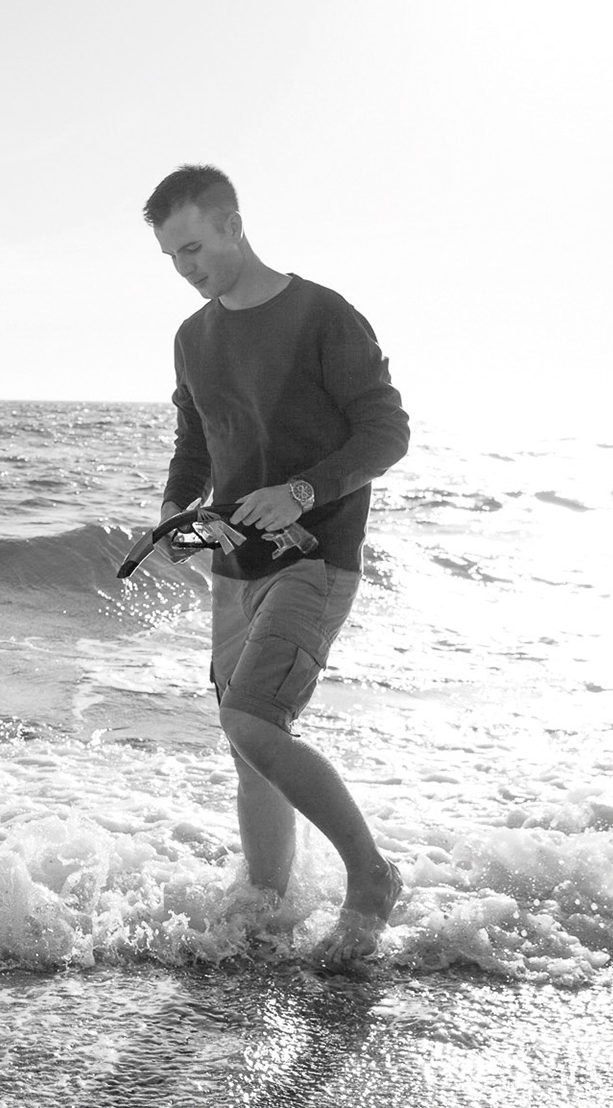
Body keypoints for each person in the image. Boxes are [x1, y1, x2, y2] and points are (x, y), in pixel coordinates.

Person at [141, 164, 410, 969]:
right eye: (171, 258)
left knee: (252, 718)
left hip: (317, 556)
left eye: (193, 247)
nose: (186, 269)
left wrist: (302, 491)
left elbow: (386, 433)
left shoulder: (323, 315)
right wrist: (174, 510)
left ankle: (371, 878)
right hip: (234, 567)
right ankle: (266, 903)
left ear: (233, 225)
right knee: (248, 743)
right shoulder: (193, 338)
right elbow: (197, 442)